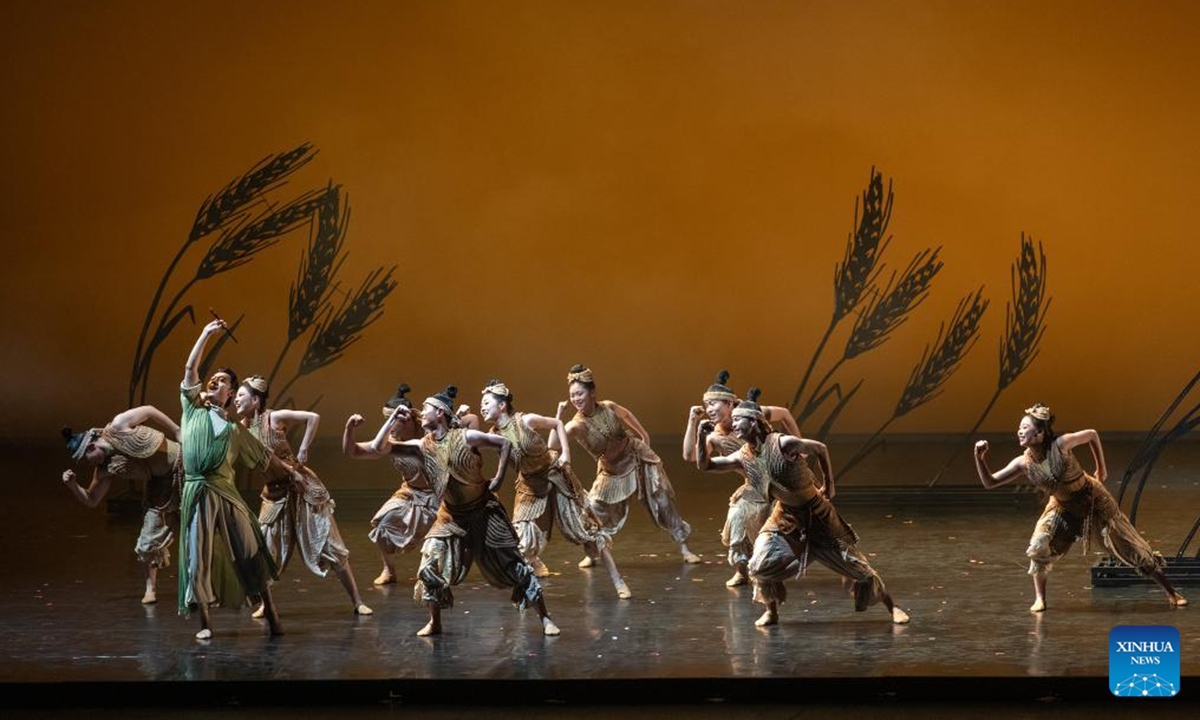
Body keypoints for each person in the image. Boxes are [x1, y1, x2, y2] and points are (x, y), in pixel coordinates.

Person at [696, 388, 909, 627]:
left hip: (818, 514)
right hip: (785, 516)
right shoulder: (742, 455)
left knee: (860, 570)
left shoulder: (783, 443)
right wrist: (701, 439)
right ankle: (771, 611)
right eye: (733, 419)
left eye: (738, 419)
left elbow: (820, 448)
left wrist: (829, 483)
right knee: (758, 564)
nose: (733, 424)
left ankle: (893, 606)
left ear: (754, 421)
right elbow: (706, 466)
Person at [380, 385, 559, 636]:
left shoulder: (465, 436)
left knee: (514, 564)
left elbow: (504, 443)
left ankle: (545, 618)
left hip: (484, 510)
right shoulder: (423, 445)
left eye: (427, 408)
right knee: (429, 564)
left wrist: (499, 478)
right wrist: (387, 421)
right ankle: (434, 621)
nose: (422, 413)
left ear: (440, 413)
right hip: (451, 515)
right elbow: (376, 447)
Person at [973, 403, 1187, 612]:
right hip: (1062, 506)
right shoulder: (1023, 463)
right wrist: (979, 458)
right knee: (1039, 544)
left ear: (1039, 432)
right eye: (1019, 427)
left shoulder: (1061, 444)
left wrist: (1101, 468)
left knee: (1130, 549)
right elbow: (990, 482)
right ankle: (1040, 598)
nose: (1019, 431)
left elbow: (1092, 434)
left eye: (1025, 427)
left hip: (1092, 499)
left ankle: (1171, 593)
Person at [177, 318, 296, 639]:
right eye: (212, 378)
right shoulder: (192, 409)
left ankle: (271, 612)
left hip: (226, 493)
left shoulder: (235, 431)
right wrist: (205, 333)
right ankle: (205, 623)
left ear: (230, 393)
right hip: (198, 492)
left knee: (250, 549)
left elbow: (266, 458)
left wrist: (294, 474)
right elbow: (190, 369)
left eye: (222, 381)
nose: (214, 381)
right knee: (197, 556)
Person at [477, 379, 631, 598]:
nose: (482, 407)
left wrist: (566, 453)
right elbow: (468, 438)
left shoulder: (526, 420)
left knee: (587, 530)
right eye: (481, 404)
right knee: (521, 538)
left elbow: (557, 424)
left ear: (502, 405)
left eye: (486, 402)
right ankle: (533, 570)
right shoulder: (493, 436)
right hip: (529, 485)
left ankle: (617, 579)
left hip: (555, 475)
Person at [233, 375, 372, 616]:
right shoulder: (240, 429)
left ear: (255, 400)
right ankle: (266, 604)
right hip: (274, 494)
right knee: (265, 550)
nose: (236, 399)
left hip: (302, 486)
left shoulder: (273, 417)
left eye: (241, 395)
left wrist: (304, 448)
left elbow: (312, 417)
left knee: (331, 545)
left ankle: (357, 601)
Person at [555, 364, 700, 566]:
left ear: (592, 392)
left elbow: (626, 415)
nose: (576, 399)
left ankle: (685, 548)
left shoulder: (608, 406)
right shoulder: (575, 425)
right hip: (611, 470)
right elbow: (553, 443)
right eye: (572, 395)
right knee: (593, 508)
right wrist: (558, 418)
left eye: (580, 393)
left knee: (662, 500)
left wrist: (644, 435)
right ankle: (592, 552)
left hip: (636, 456)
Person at [682, 370, 804, 587]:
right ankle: (741, 571)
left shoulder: (751, 414)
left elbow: (784, 413)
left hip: (781, 482)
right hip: (754, 486)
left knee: (793, 527)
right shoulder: (715, 437)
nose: (709, 409)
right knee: (737, 518)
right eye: (706, 405)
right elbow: (691, 456)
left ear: (730, 403)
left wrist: (799, 446)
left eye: (714, 404)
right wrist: (692, 422)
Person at [60, 406, 182, 605]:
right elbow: (92, 499)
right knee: (148, 541)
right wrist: (73, 486)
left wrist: (176, 430)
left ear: (91, 447)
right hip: (160, 486)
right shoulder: (104, 469)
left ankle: (206, 586)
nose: (89, 465)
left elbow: (149, 410)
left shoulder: (118, 425)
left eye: (86, 460)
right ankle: (150, 588)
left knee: (202, 528)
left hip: (184, 465)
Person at [343, 383, 440, 588]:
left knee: (441, 536)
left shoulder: (428, 432)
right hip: (411, 492)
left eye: (392, 419)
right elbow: (353, 452)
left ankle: (436, 570)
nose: (389, 424)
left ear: (406, 418)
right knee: (383, 524)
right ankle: (389, 569)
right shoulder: (390, 441)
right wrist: (349, 428)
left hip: (439, 495)